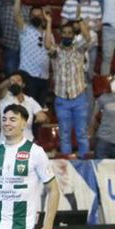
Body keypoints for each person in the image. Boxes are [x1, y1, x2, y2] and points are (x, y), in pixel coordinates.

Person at [46, 11, 92, 157]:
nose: (67, 35)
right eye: (64, 32)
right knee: (64, 134)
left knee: (82, 133)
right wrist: (48, 23)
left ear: (73, 34)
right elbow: (47, 45)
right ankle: (67, 164)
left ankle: (84, 162)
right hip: (61, 99)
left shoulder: (79, 49)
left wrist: (80, 20)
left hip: (79, 98)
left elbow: (88, 37)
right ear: (60, 34)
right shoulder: (56, 51)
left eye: (69, 32)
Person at [0, 73, 49, 142]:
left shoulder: (30, 100)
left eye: (18, 81)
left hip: (27, 142)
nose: (15, 83)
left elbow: (44, 117)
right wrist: (9, 81)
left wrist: (42, 117)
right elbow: (0, 88)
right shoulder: (3, 98)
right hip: (6, 142)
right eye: (12, 80)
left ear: (23, 84)